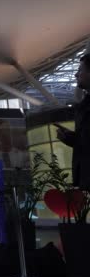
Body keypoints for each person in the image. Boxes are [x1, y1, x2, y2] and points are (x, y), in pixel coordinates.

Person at [57, 53, 90, 190]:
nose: (76, 75)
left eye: (80, 70)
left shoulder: (85, 106)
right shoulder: (84, 105)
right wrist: (72, 138)